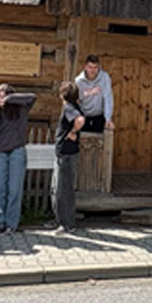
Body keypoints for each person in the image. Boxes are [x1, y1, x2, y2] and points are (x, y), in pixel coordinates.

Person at [0, 83, 36, 233]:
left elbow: (32, 97)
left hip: (17, 151)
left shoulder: (20, 110)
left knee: (14, 190)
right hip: (0, 152)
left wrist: (10, 99)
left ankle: (11, 223)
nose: (2, 99)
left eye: (4, 96)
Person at [51, 81, 85, 234]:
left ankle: (66, 224)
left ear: (62, 95)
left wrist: (72, 132)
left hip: (65, 154)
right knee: (62, 188)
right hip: (68, 152)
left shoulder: (69, 108)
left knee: (62, 190)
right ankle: (61, 220)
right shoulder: (76, 106)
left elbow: (80, 120)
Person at [75, 55, 114, 132]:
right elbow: (76, 100)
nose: (92, 70)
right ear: (85, 67)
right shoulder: (79, 81)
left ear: (99, 67)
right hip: (83, 117)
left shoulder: (104, 77)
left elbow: (108, 98)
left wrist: (108, 118)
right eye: (90, 67)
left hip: (99, 117)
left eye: (95, 67)